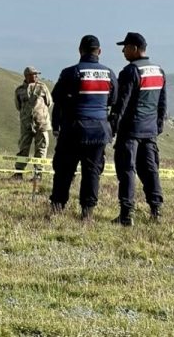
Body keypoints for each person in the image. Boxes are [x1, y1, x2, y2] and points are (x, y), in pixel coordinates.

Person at [49, 35, 117, 221]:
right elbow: (113, 100)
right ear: (99, 51)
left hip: (73, 129)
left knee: (64, 170)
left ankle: (57, 207)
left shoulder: (70, 72)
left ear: (80, 51)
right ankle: (87, 212)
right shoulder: (109, 74)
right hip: (99, 131)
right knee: (92, 172)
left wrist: (58, 124)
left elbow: (57, 98)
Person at [109, 32, 166, 226]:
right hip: (149, 130)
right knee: (151, 170)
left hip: (130, 131)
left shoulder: (131, 71)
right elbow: (162, 103)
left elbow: (121, 104)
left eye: (125, 47)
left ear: (134, 48)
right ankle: (156, 210)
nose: (123, 51)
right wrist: (157, 127)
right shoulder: (158, 71)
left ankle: (126, 214)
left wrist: (113, 127)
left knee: (127, 170)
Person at [12, 66, 53, 181]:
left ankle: (38, 174)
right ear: (27, 76)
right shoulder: (19, 90)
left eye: (36, 74)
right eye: (33, 74)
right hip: (26, 124)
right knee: (23, 148)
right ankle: (18, 173)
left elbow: (49, 102)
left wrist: (40, 112)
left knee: (41, 148)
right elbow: (18, 106)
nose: (36, 76)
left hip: (41, 124)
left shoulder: (42, 87)